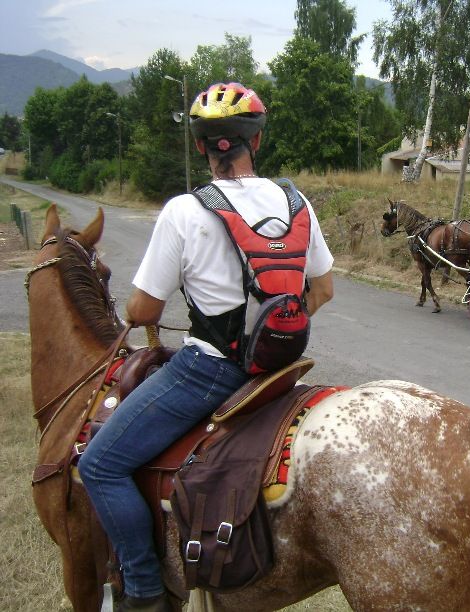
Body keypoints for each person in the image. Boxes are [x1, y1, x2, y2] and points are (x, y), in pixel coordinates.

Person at [78, 82, 334, 611]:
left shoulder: (184, 210)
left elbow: (143, 311)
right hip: (281, 369)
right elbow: (324, 289)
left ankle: (144, 591)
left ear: (201, 147)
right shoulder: (296, 201)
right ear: (255, 141)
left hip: (210, 372)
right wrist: (268, 331)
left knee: (100, 465)